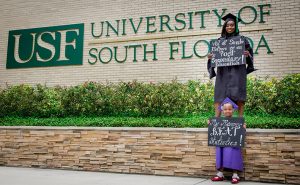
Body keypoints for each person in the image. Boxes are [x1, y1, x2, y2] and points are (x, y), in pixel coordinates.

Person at [207, 13, 256, 118]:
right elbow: (214, 57)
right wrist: (211, 57)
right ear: (224, 27)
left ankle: (240, 120)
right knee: (219, 95)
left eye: (232, 25)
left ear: (236, 26)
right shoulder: (219, 41)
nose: (230, 27)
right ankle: (217, 120)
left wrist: (247, 55)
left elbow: (249, 55)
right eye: (228, 25)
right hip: (223, 72)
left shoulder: (242, 40)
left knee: (239, 95)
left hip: (238, 72)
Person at [209, 97, 246, 184]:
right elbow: (213, 130)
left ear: (233, 110)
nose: (227, 111)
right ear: (222, 110)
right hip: (222, 142)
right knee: (221, 154)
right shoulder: (218, 121)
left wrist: (243, 127)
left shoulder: (237, 121)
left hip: (233, 143)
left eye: (229, 109)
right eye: (225, 109)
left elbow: (241, 133)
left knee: (234, 154)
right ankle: (220, 174)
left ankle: (235, 175)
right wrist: (211, 124)